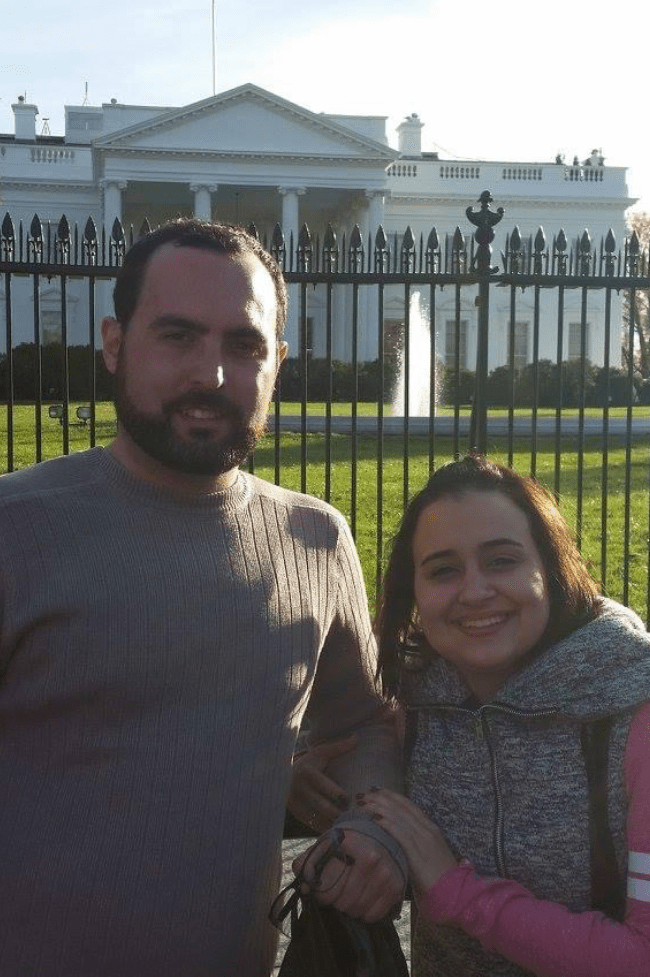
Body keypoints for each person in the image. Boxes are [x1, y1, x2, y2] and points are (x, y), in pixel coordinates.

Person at [0, 218, 404, 977]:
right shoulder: (15, 532)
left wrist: (374, 827)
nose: (211, 375)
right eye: (178, 336)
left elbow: (365, 725)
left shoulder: (316, 539)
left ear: (278, 362)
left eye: (244, 346)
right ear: (114, 343)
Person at [293, 454, 650, 976]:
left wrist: (455, 891)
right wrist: (296, 781)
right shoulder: (408, 706)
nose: (475, 591)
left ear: (548, 569)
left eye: (502, 560)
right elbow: (364, 778)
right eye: (443, 570)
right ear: (413, 591)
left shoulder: (633, 711)